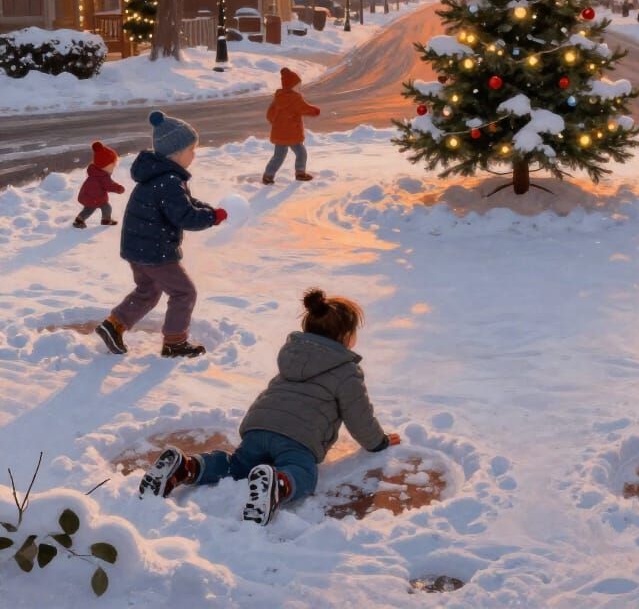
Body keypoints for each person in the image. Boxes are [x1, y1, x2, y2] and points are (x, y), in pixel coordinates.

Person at [139, 288, 401, 526]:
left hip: (258, 428)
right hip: (299, 439)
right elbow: (359, 416)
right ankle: (279, 485)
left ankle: (187, 467)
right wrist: (378, 442)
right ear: (346, 336)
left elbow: (275, 394)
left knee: (236, 466)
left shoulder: (292, 357)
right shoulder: (346, 371)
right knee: (303, 474)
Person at [95, 111, 226, 359]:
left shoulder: (158, 175)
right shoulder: (169, 181)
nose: (194, 155)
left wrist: (207, 209)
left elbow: (182, 203)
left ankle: (114, 325)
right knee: (184, 293)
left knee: (148, 291)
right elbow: (184, 216)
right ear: (176, 154)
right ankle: (175, 342)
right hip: (156, 251)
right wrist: (212, 218)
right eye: (191, 150)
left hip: (138, 248)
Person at [263, 67, 321, 184]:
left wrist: (278, 123)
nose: (299, 89)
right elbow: (305, 109)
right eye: (298, 86)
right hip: (292, 134)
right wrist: (315, 111)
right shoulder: (295, 98)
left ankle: (268, 176)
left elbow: (270, 115)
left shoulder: (278, 98)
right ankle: (300, 173)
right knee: (301, 153)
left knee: (278, 157)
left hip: (279, 134)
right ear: (291, 86)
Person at [72, 141, 125, 228]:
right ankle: (105, 220)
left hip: (88, 195)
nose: (113, 169)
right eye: (112, 166)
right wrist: (119, 188)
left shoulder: (95, 172)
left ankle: (79, 220)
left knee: (89, 209)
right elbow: (109, 185)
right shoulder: (103, 176)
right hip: (96, 198)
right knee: (106, 207)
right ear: (104, 166)